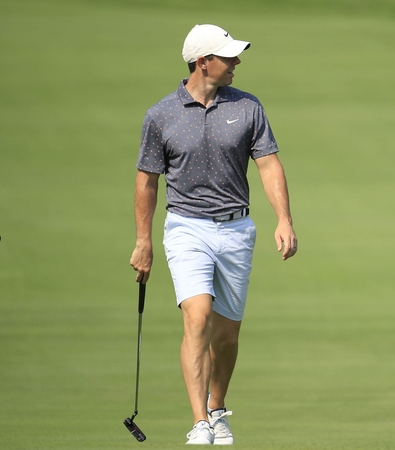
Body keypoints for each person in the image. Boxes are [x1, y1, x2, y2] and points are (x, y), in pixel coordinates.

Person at [129, 24, 298, 445]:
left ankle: (217, 407)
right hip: (187, 228)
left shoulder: (248, 107)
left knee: (226, 336)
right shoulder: (161, 115)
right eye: (228, 57)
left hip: (237, 230)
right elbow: (146, 181)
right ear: (203, 62)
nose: (237, 62)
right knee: (197, 317)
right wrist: (143, 240)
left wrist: (284, 219)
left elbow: (268, 164)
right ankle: (200, 421)